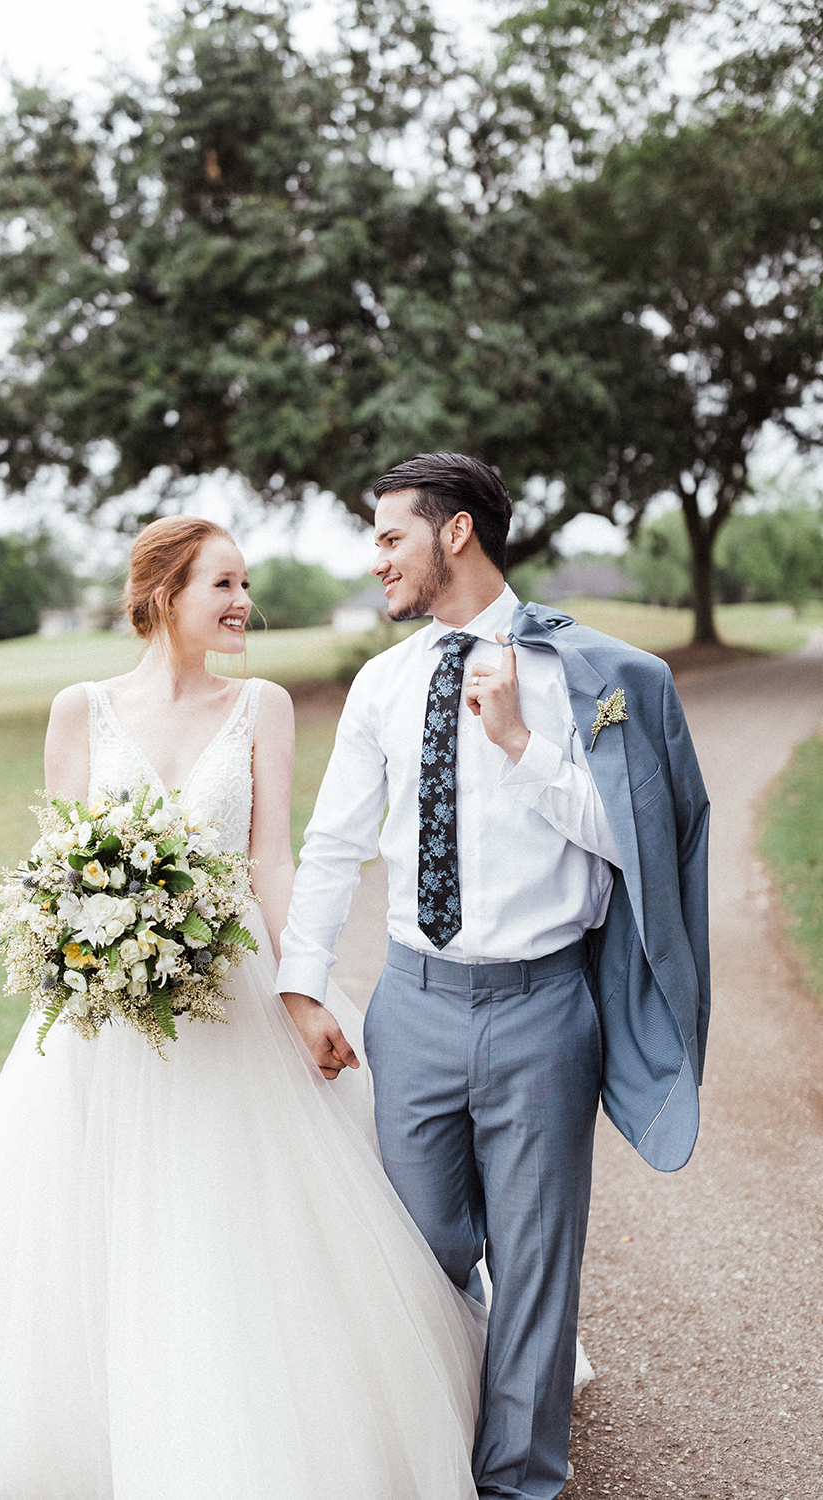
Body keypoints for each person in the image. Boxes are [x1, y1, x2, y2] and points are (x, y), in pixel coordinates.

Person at [0, 516, 487, 1500]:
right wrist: (82, 955)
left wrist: (301, 991)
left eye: (245, 584)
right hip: (109, 1014)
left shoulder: (260, 705)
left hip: (237, 1001)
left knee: (254, 1212)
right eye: (221, 583)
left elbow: (269, 859)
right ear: (161, 592)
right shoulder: (78, 709)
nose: (241, 604)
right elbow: (58, 865)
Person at [278, 453, 710, 1500]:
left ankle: (519, 1479)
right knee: (420, 1245)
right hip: (412, 1010)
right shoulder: (383, 684)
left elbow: (637, 845)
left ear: (456, 532)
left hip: (542, 1011)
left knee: (536, 1265)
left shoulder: (589, 676)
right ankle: (444, 1422)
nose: (375, 560)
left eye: (390, 537)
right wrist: (302, 983)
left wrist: (519, 743)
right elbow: (335, 843)